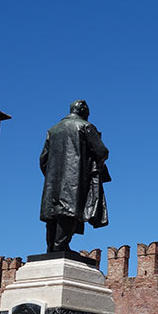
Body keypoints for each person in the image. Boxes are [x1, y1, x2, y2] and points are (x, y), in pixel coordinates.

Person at [39, 100, 110, 253]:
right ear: (83, 110)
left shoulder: (53, 130)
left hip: (52, 182)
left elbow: (43, 159)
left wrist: (51, 176)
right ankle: (61, 246)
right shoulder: (85, 126)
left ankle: (51, 248)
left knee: (53, 214)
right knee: (69, 211)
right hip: (75, 178)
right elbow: (102, 151)